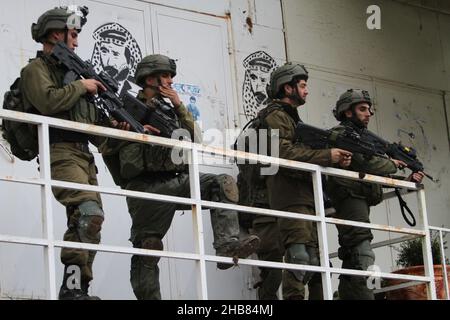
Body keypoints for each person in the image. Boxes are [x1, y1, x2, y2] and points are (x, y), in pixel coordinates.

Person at [101, 54, 260, 300]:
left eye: (171, 77)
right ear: (150, 78)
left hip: (176, 179)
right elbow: (106, 146)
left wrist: (178, 105)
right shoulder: (126, 107)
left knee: (222, 182)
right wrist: (127, 132)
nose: (170, 81)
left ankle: (227, 245)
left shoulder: (170, 108)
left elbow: (195, 139)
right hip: (146, 188)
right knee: (148, 248)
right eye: (165, 76)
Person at [21, 5, 108, 299]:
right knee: (87, 211)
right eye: (72, 34)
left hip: (83, 154)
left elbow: (90, 122)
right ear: (56, 34)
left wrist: (125, 126)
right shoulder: (36, 70)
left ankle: (76, 288)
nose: (76, 42)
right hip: (59, 150)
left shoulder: (73, 74)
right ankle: (71, 290)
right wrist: (82, 86)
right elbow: (47, 101)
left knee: (91, 221)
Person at [262, 62, 352, 300]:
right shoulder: (275, 116)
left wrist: (333, 158)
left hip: (305, 196)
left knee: (315, 261)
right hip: (289, 197)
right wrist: (326, 155)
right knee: (299, 256)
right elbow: (282, 154)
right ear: (287, 88)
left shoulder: (290, 117)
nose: (307, 90)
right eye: (302, 86)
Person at [327, 89, 425, 300]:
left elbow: (370, 170)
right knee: (362, 253)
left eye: (369, 109)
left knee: (353, 253)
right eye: (362, 109)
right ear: (347, 112)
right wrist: (392, 164)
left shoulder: (363, 138)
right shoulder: (343, 134)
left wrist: (405, 181)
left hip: (357, 198)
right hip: (348, 198)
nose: (369, 113)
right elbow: (363, 162)